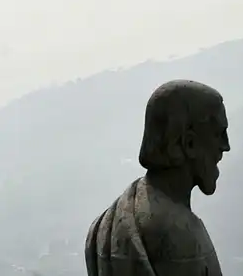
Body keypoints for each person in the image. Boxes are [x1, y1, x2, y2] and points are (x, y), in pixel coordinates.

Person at [85, 80, 230, 276]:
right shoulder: (183, 235)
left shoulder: (103, 225)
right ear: (189, 143)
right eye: (219, 134)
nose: (226, 146)